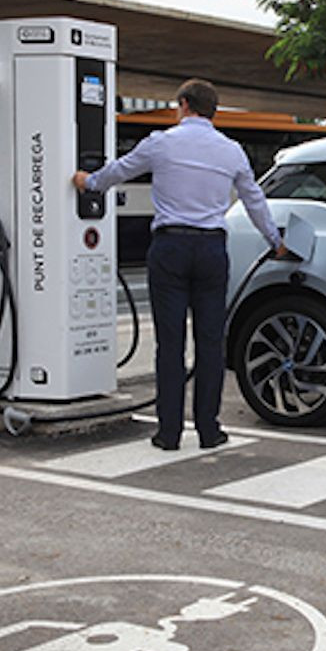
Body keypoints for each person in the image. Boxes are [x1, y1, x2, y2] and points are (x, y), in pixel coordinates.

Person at [73, 78, 285, 451]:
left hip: (170, 248)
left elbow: (117, 172)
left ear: (184, 104)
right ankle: (209, 430)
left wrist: (87, 181)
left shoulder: (161, 143)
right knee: (209, 343)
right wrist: (276, 242)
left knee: (169, 345)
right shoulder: (232, 151)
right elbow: (255, 203)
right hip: (212, 252)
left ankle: (168, 433)